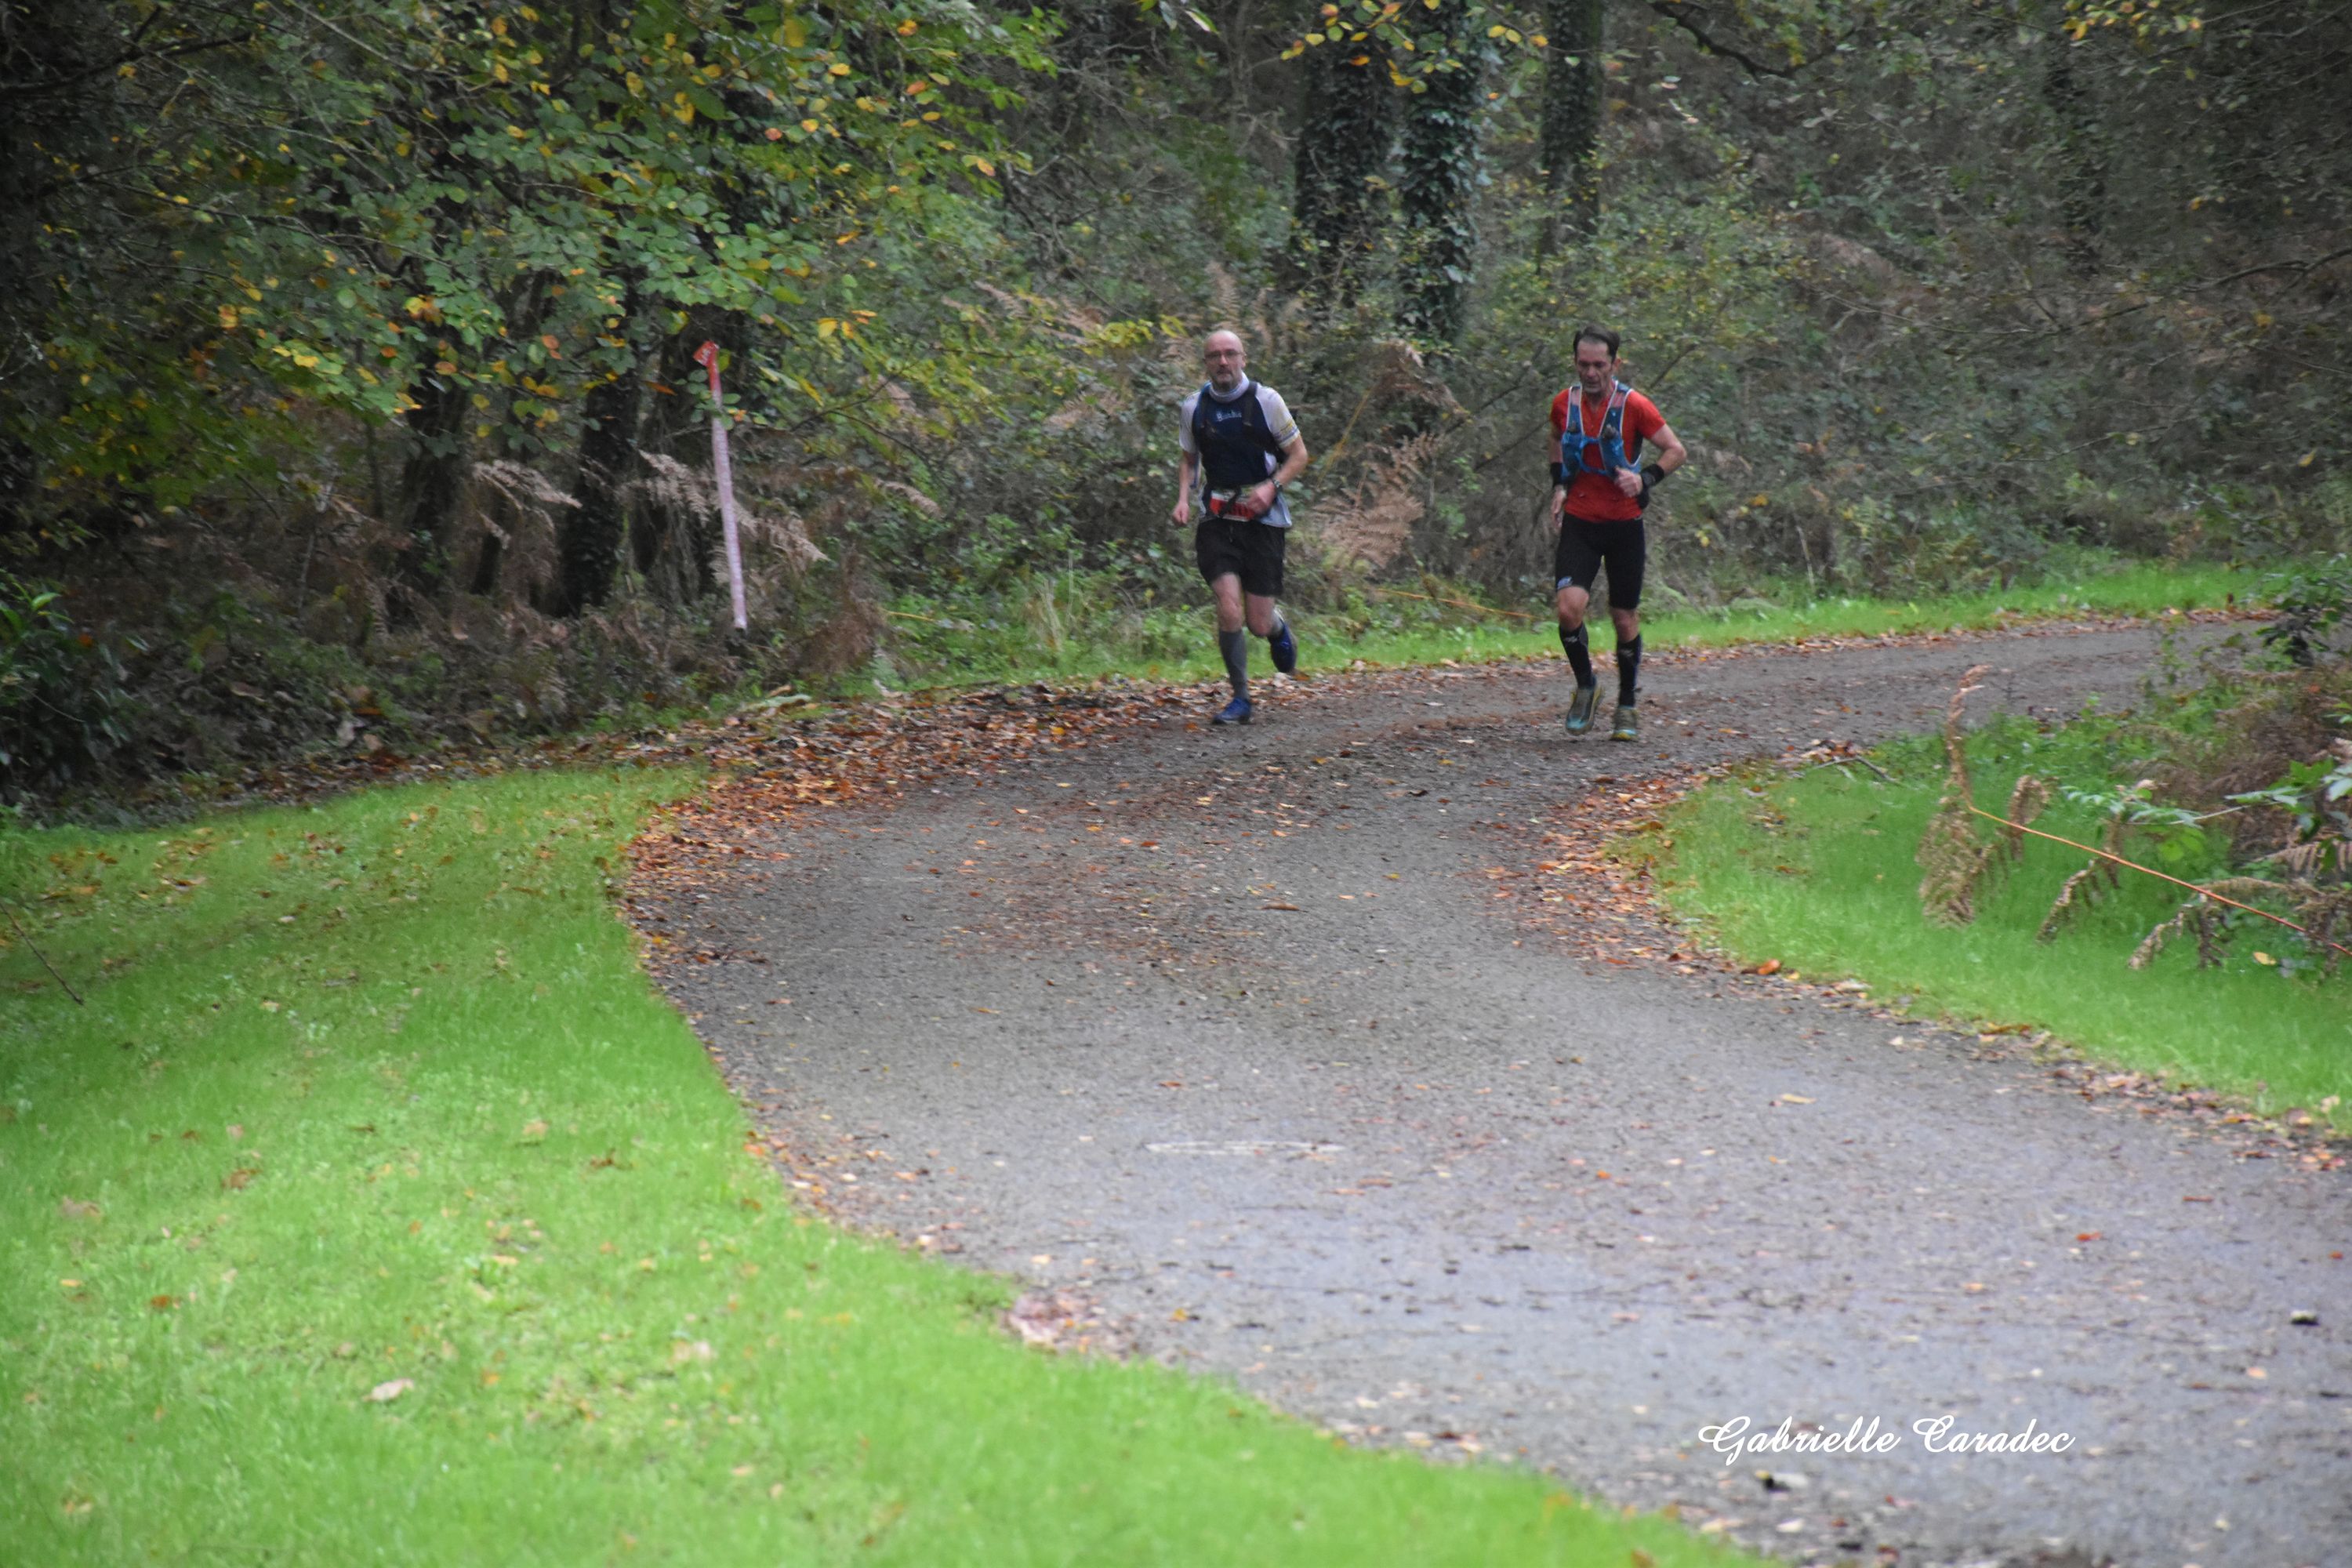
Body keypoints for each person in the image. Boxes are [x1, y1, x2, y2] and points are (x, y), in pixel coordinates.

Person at [1548, 324, 1687, 741]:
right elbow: (1556, 439)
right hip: (1580, 521)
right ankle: (1587, 686)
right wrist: (1559, 485)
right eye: (1583, 365)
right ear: (1575, 363)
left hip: (1625, 525)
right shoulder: (1563, 403)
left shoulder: (1635, 406)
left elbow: (1676, 450)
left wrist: (1645, 479)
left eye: (1599, 365)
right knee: (1568, 609)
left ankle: (1627, 704)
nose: (1591, 373)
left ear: (1615, 364)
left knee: (1624, 616)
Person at [1173, 328, 1311, 725]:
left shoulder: (1267, 401)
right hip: (1216, 518)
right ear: (1205, 363)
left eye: (1230, 354)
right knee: (1229, 607)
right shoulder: (1194, 407)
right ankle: (1240, 699)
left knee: (1258, 622)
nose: (1223, 362)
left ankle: (1277, 629)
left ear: (1243, 359)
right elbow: (1189, 459)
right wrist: (1183, 499)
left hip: (1263, 520)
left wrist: (1271, 487)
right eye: (1215, 355)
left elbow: (1299, 455)